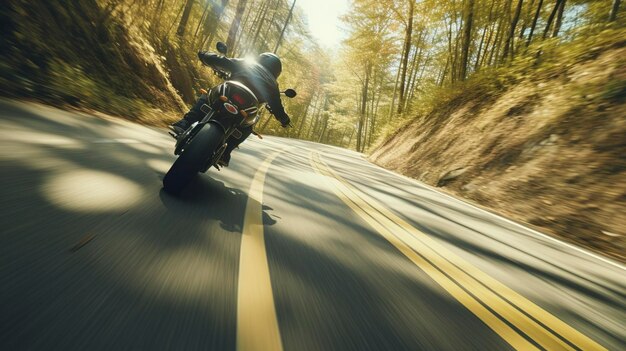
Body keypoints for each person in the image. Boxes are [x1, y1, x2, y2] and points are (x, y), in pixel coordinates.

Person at [170, 51, 291, 167]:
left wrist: (204, 55)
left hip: (229, 92)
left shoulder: (247, 63)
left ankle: (185, 123)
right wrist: (284, 120)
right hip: (247, 106)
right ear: (277, 72)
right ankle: (226, 152)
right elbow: (277, 107)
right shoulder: (273, 85)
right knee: (247, 128)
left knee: (206, 97)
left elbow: (221, 61)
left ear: (261, 59)